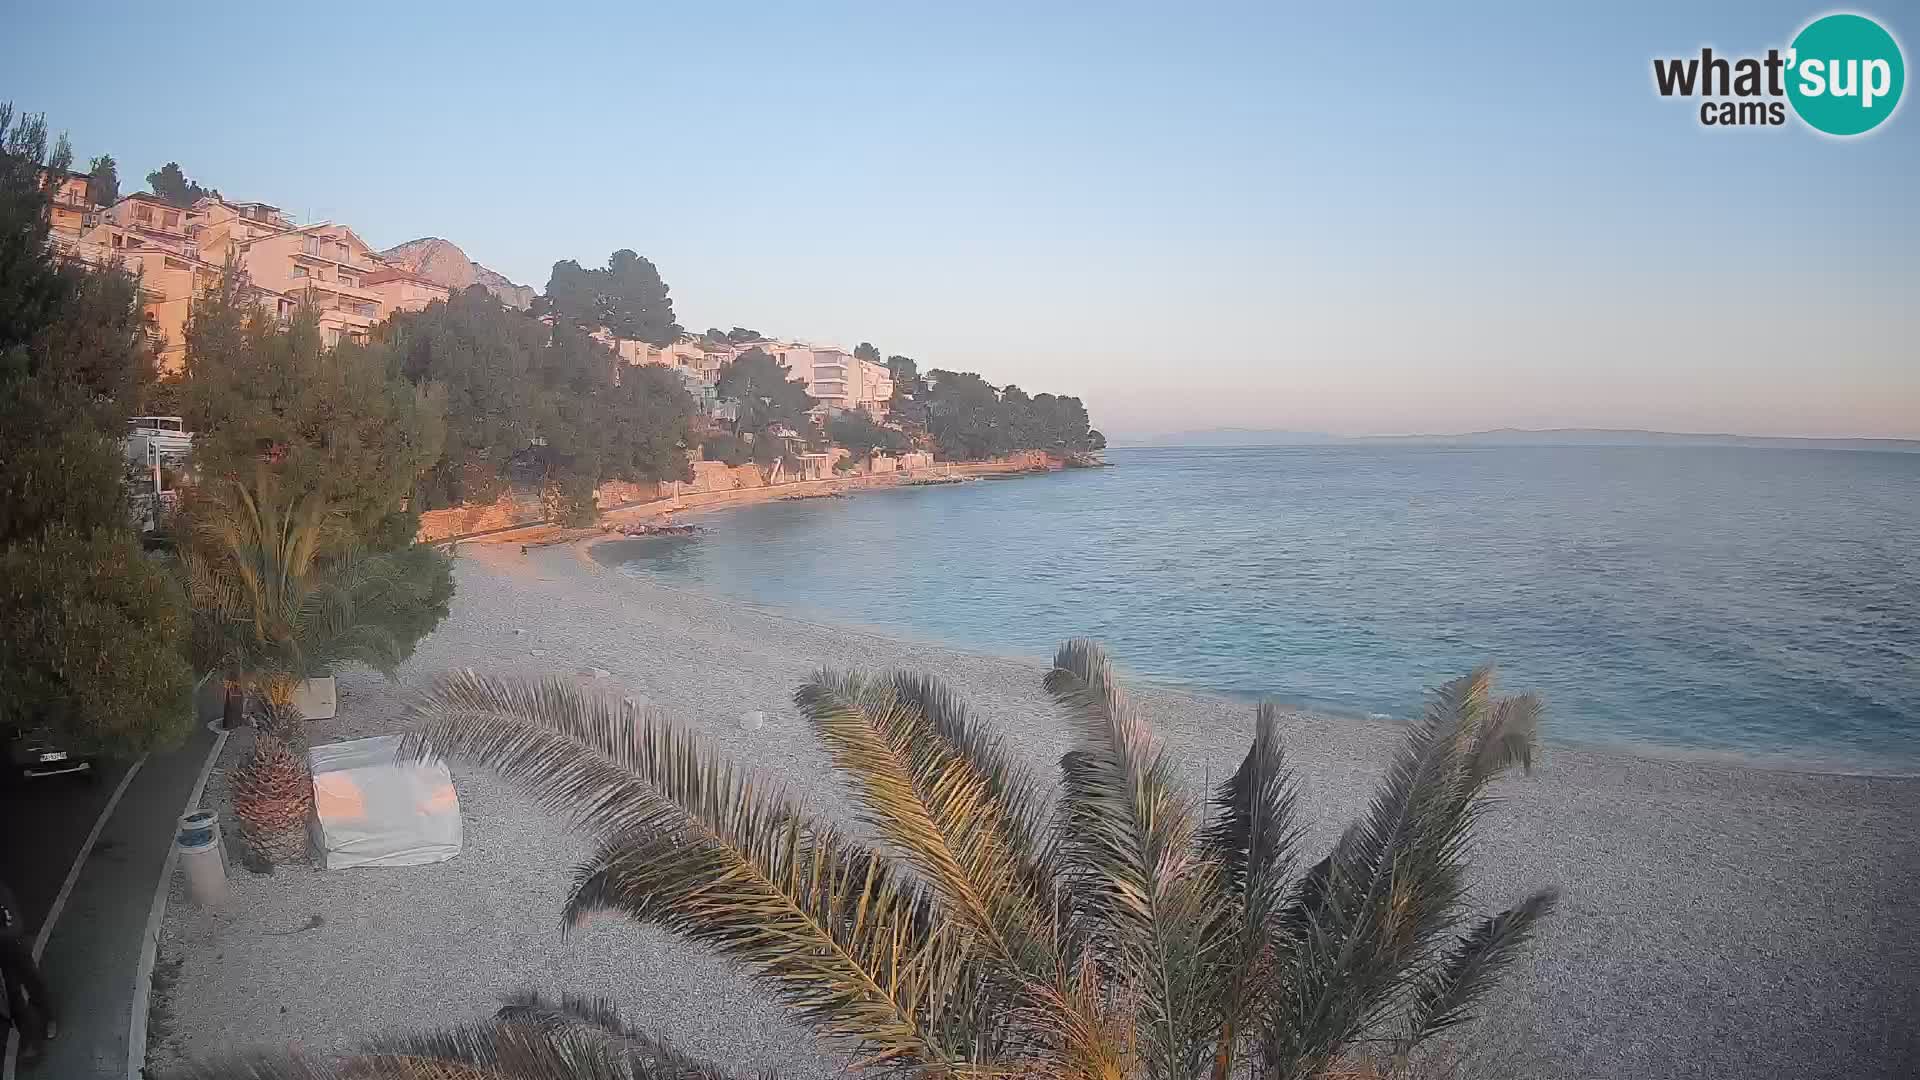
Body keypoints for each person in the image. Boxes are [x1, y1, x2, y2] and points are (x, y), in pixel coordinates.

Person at [0, 879, 56, 1060]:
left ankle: (48, 1018)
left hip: (17, 950)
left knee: (34, 983)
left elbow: (17, 927)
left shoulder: (3, 894)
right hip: (3, 960)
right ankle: (30, 1041)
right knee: (13, 998)